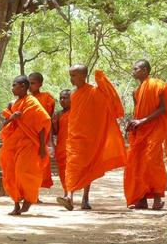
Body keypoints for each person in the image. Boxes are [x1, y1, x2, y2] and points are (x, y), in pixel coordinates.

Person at [57, 65, 126, 211]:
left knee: (88, 166)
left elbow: (109, 98)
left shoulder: (95, 92)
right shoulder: (73, 95)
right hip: (74, 137)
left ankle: (85, 198)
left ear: (83, 76)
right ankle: (69, 196)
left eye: (74, 75)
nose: (71, 79)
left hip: (90, 137)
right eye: (70, 75)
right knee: (72, 165)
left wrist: (100, 78)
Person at [0, 75, 51, 215]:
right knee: (10, 174)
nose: (12, 88)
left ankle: (28, 199)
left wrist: (41, 147)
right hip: (12, 144)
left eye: (14, 85)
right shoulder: (11, 104)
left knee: (23, 172)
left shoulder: (32, 102)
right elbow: (4, 125)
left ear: (23, 86)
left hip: (29, 144)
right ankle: (16, 204)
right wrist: (11, 117)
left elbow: (42, 125)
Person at [124, 59, 167, 210]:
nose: (133, 71)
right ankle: (141, 198)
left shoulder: (158, 85)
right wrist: (132, 123)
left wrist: (143, 121)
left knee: (152, 162)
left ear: (144, 70)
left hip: (155, 129)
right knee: (138, 163)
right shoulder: (136, 92)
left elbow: (163, 108)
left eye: (135, 68)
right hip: (140, 131)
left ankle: (157, 199)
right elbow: (138, 112)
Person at [28, 72, 55, 194]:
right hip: (27, 136)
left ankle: (35, 192)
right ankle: (31, 193)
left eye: (33, 83)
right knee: (29, 165)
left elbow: (48, 119)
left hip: (42, 135)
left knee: (40, 165)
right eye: (29, 83)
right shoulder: (25, 99)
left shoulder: (46, 98)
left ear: (40, 84)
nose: (30, 86)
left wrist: (49, 141)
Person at [52, 89, 71, 198]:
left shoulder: (77, 112)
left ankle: (84, 197)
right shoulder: (58, 114)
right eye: (61, 98)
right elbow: (56, 132)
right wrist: (53, 122)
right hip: (62, 147)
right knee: (63, 171)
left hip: (75, 147)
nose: (62, 100)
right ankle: (66, 193)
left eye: (65, 98)